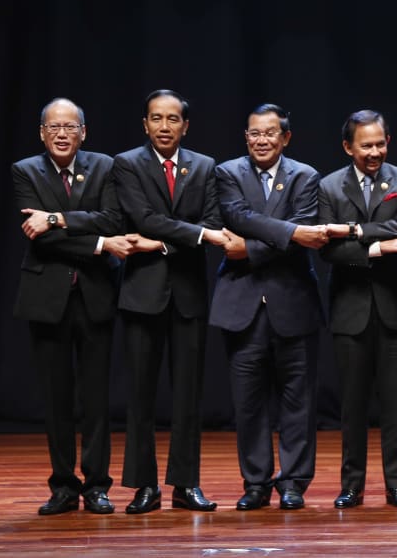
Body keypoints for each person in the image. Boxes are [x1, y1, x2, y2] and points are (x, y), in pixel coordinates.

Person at [13, 98, 136, 515]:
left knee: (96, 398)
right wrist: (100, 244)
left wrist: (57, 218)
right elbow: (41, 239)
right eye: (54, 127)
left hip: (96, 295)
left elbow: (112, 218)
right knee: (57, 398)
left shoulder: (105, 166)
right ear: (41, 133)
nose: (62, 134)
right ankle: (63, 485)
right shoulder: (25, 170)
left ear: (84, 132)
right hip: (47, 298)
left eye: (70, 127)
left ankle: (97, 485)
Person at [112, 89, 228, 514]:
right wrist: (193, 235)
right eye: (156, 118)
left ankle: (185, 484)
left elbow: (213, 223)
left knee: (188, 396)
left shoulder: (205, 166)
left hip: (188, 295)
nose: (164, 126)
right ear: (145, 124)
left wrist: (159, 244)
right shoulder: (127, 164)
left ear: (185, 125)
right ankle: (144, 486)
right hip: (142, 294)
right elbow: (143, 219)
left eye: (173, 119)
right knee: (141, 396)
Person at [209, 104, 326, 510]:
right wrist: (292, 233)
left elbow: (305, 229)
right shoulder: (227, 173)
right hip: (241, 303)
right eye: (255, 133)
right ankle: (255, 482)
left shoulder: (306, 176)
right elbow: (236, 215)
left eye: (270, 133)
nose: (262, 140)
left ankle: (293, 482)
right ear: (246, 137)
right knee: (249, 401)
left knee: (298, 401)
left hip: (293, 301)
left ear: (285, 138)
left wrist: (250, 248)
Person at [318, 109, 397, 508]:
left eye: (380, 144)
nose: (375, 152)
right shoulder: (329, 186)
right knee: (352, 404)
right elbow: (329, 250)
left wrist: (354, 231)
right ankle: (352, 485)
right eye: (366, 146)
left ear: (388, 142)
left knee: (395, 403)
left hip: (394, 304)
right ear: (348, 147)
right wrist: (378, 247)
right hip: (349, 307)